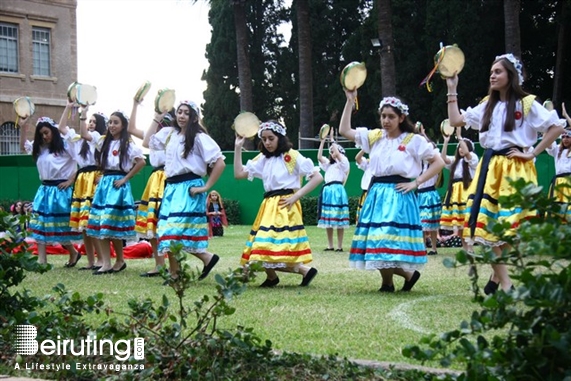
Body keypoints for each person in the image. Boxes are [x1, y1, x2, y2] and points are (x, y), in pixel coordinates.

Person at [446, 53, 565, 293]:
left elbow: (556, 127)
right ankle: (506, 282)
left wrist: (532, 154)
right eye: (491, 71)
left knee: (510, 230)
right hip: (489, 168)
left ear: (511, 76)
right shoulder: (486, 105)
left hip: (516, 167)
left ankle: (497, 276)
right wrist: (452, 89)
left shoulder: (527, 103)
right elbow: (456, 119)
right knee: (481, 228)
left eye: (498, 71)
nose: (492, 74)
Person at [339, 93, 444, 292]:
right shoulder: (375, 137)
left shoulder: (413, 140)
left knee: (388, 239)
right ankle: (389, 282)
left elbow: (438, 162)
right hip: (377, 193)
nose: (386, 121)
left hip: (399, 194)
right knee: (376, 239)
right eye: (383, 116)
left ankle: (406, 275)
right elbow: (344, 130)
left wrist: (417, 183)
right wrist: (350, 101)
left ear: (401, 118)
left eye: (391, 117)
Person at [234, 120, 323, 287]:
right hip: (268, 204)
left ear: (280, 137)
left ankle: (294, 272)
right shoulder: (263, 158)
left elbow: (317, 177)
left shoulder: (291, 156)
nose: (267, 142)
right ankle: (278, 276)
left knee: (269, 244)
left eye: (271, 138)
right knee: (264, 244)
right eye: (264, 139)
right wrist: (238, 147)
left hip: (285, 204)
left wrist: (296, 197)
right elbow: (239, 173)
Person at [149, 100, 225, 282]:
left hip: (188, 187)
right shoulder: (171, 134)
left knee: (174, 232)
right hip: (171, 188)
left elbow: (220, 162)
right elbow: (147, 142)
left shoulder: (199, 137)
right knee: (168, 232)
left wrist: (206, 187)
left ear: (193, 118)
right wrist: (157, 118)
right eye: (179, 112)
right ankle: (202, 260)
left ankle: (176, 273)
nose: (181, 116)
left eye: (186, 113)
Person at [81, 106, 146, 275]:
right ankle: (107, 262)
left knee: (112, 224)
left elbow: (141, 162)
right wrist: (83, 115)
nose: (111, 125)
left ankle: (119, 260)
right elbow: (85, 135)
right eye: (110, 122)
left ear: (123, 125)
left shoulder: (127, 144)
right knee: (101, 222)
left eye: (115, 122)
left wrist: (125, 178)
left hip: (118, 185)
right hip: (105, 184)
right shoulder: (103, 141)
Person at [18, 116, 82, 266]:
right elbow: (24, 146)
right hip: (44, 190)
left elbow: (81, 163)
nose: (44, 136)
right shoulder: (40, 147)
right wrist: (23, 127)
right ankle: (42, 260)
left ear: (53, 130)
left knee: (60, 226)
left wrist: (70, 181)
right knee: (40, 223)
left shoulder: (66, 145)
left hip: (60, 191)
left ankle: (73, 252)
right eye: (41, 134)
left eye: (46, 132)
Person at [57, 101, 106, 270]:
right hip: (82, 180)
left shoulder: (99, 138)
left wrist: (103, 176)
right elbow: (61, 127)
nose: (91, 123)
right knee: (83, 225)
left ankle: (101, 259)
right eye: (89, 121)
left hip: (93, 179)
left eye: (94, 121)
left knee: (92, 222)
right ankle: (91, 261)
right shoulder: (78, 140)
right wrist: (69, 107)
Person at [127, 99, 173, 277]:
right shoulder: (153, 135)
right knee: (152, 224)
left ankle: (173, 264)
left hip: (169, 177)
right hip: (155, 178)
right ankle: (159, 264)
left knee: (167, 223)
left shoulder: (175, 134)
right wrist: (135, 105)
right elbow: (131, 129)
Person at [440, 127, 478, 256]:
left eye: (463, 147)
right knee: (460, 223)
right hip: (456, 193)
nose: (461, 149)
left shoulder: (472, 158)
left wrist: (460, 137)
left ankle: (470, 247)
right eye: (459, 147)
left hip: (467, 191)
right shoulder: (455, 161)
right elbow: (443, 158)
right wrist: (446, 141)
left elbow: (467, 153)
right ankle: (464, 247)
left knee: (468, 220)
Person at [316, 136, 350, 252]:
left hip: (338, 190)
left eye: (334, 151)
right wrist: (322, 142)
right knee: (328, 219)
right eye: (330, 151)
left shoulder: (343, 163)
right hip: (328, 190)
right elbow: (319, 157)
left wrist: (332, 140)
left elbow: (338, 155)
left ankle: (339, 246)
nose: (332, 153)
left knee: (339, 218)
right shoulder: (328, 165)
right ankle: (330, 245)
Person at [417, 124, 443, 255]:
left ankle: (433, 247)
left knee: (432, 223)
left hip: (430, 193)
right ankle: (423, 247)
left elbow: (433, 148)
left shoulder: (434, 165)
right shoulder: (419, 165)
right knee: (422, 223)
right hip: (420, 195)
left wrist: (424, 136)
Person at [545, 129, 571, 221]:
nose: (565, 139)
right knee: (556, 204)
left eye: (568, 136)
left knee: (568, 204)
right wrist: (548, 127)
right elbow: (547, 142)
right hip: (558, 182)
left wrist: (565, 115)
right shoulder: (557, 150)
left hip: (569, 181)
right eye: (563, 137)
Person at [355, 149, 373, 223]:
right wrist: (365, 147)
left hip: (378, 192)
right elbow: (357, 158)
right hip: (366, 192)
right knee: (364, 217)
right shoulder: (368, 163)